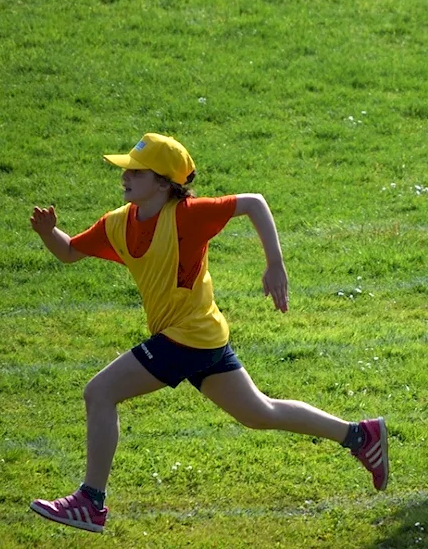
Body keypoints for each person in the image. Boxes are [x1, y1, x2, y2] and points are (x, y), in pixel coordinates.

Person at [28, 133, 388, 533]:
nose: (126, 177)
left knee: (100, 392)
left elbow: (254, 203)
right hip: (204, 336)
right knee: (259, 412)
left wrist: (275, 264)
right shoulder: (117, 224)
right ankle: (360, 436)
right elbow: (69, 252)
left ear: (164, 184)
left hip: (188, 335)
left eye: (137, 172)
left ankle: (90, 501)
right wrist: (48, 232)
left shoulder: (187, 215)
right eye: (126, 170)